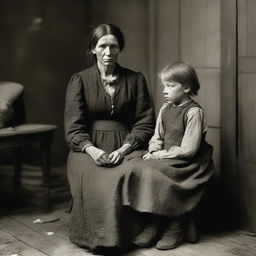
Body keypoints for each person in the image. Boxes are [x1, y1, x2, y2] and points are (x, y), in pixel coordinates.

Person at [64, 24, 155, 252]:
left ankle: (138, 232)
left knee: (135, 171)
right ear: (92, 49)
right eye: (102, 46)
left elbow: (145, 122)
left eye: (113, 46)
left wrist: (124, 149)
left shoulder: (135, 79)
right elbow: (73, 128)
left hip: (128, 144)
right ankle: (100, 238)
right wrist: (93, 151)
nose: (108, 52)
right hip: (87, 148)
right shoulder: (80, 80)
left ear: (119, 49)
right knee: (97, 178)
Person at [127, 62, 215, 250]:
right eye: (164, 86)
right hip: (165, 157)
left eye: (170, 85)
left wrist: (160, 156)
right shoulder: (165, 109)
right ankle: (154, 221)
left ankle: (175, 225)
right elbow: (157, 136)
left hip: (187, 162)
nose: (164, 91)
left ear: (186, 87)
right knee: (141, 167)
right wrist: (153, 150)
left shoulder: (194, 112)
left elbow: (189, 149)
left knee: (161, 173)